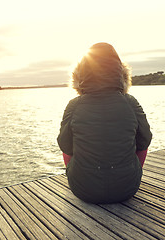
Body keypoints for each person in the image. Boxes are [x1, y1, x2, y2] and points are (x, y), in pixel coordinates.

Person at [57, 42, 152, 204]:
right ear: (119, 73)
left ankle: (82, 177)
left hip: (83, 191)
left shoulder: (74, 105)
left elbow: (65, 146)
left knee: (67, 140)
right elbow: (144, 141)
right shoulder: (130, 102)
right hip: (127, 189)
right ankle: (128, 175)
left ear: (82, 74)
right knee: (141, 139)